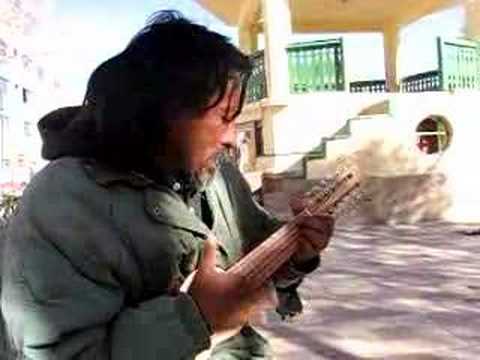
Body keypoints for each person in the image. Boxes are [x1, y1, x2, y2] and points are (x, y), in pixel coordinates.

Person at [1, 11, 334, 360]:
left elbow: (252, 266)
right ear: (162, 110)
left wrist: (299, 254)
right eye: (224, 117)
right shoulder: (61, 203)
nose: (233, 139)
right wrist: (195, 319)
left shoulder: (216, 173)